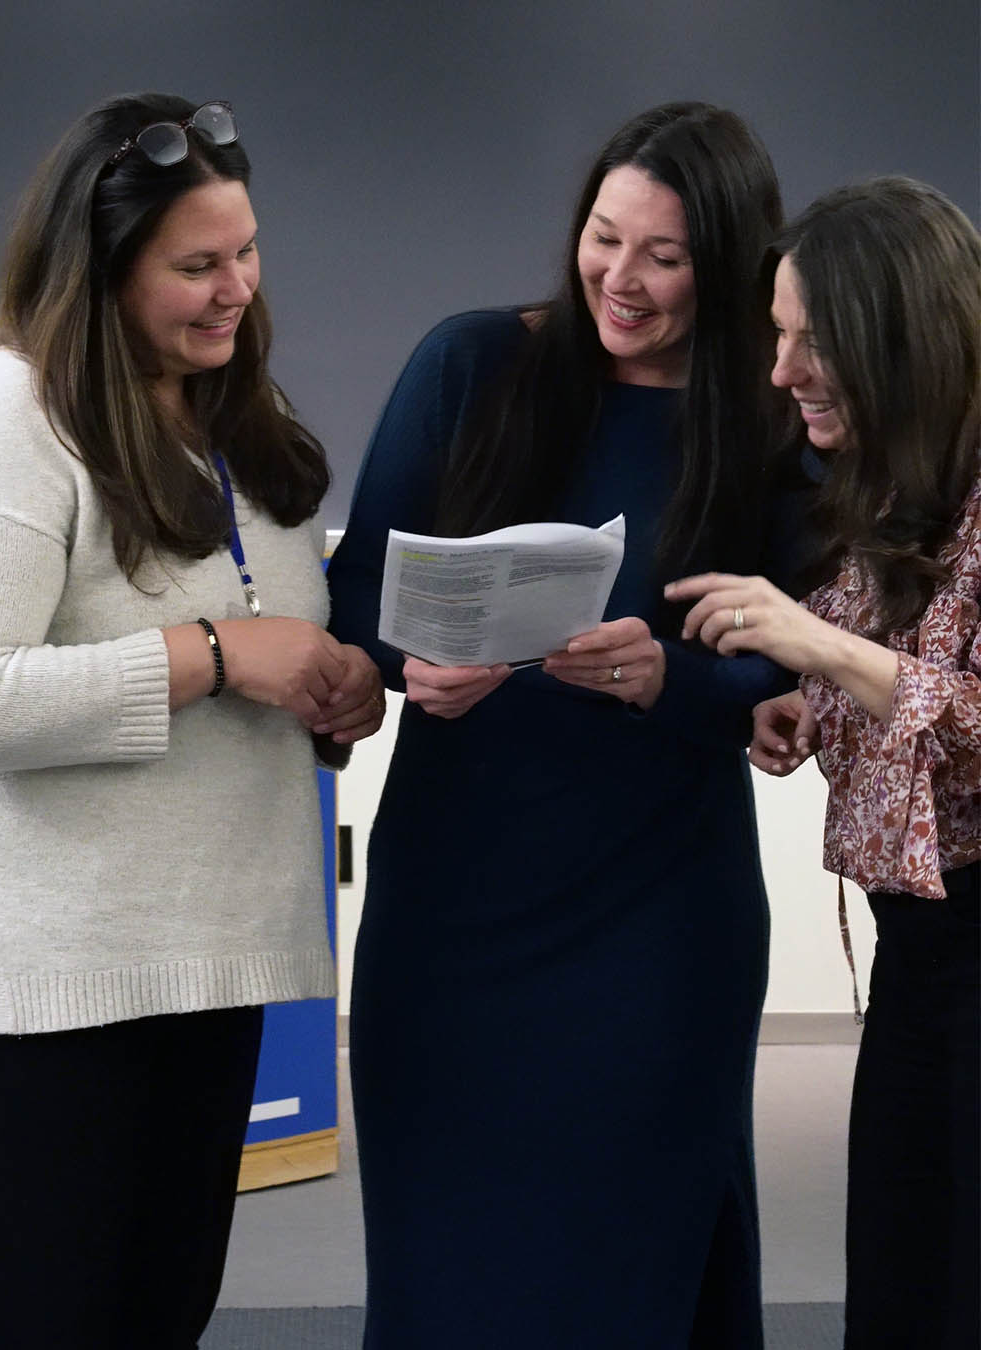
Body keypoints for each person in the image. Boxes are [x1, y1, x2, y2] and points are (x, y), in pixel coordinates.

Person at [0, 93, 383, 1349]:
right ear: (101, 270)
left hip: (207, 963)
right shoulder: (4, 416)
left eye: (247, 251)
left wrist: (333, 696)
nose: (237, 289)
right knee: (50, 1322)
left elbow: (269, 653)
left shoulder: (245, 428)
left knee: (160, 1318)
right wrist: (215, 656)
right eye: (195, 265)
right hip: (39, 983)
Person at [327, 102, 800, 1348]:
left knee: (632, 1257)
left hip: (659, 911)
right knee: (447, 1260)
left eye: (666, 256)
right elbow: (357, 594)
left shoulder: (767, 415)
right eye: (605, 237)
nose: (621, 279)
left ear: (729, 264)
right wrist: (416, 660)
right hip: (454, 905)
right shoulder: (471, 363)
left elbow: (788, 660)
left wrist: (665, 678)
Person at [668, 177, 980, 1350]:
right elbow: (909, 676)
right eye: (779, 335)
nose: (782, 370)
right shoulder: (902, 484)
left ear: (899, 338)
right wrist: (816, 697)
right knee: (905, 1279)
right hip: (923, 954)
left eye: (812, 341)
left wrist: (828, 650)